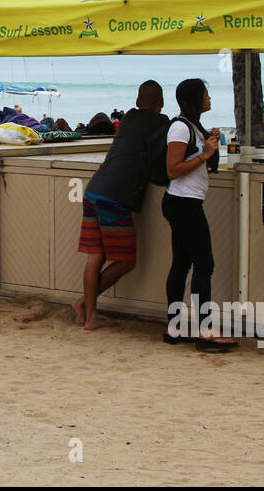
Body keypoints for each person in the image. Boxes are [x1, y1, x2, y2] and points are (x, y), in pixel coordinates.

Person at [74, 80, 171, 330]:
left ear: (138, 102)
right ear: (160, 102)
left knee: (96, 256)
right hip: (116, 196)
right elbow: (162, 159)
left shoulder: (127, 117)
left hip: (94, 190)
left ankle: (89, 314)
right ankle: (85, 304)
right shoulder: (161, 123)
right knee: (127, 261)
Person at [162, 78, 235, 350]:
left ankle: (175, 327)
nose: (210, 98)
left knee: (182, 263)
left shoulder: (192, 126)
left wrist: (210, 146)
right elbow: (173, 169)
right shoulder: (180, 128)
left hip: (184, 202)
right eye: (206, 94)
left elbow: (199, 160)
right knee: (204, 264)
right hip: (183, 203)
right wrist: (205, 155)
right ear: (194, 99)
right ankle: (204, 332)